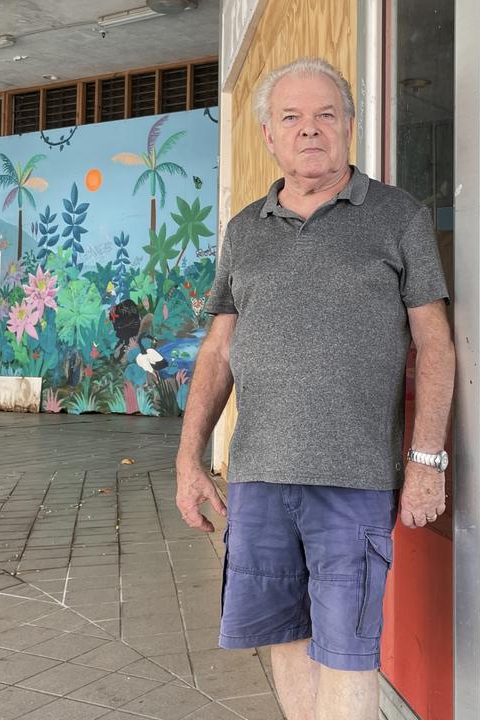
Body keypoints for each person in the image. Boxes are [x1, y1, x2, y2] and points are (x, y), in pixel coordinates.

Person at [175, 57, 456, 720]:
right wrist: (189, 458)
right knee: (284, 634)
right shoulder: (243, 231)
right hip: (258, 477)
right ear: (268, 135)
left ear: (350, 127)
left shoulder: (399, 217)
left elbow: (435, 343)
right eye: (292, 117)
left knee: (348, 649)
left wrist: (426, 460)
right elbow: (217, 351)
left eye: (326, 115)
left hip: (354, 479)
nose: (310, 130)